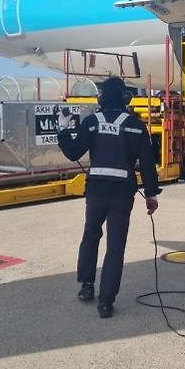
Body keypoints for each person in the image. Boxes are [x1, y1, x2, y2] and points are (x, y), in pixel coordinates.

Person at [57, 77, 160, 318]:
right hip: (123, 195)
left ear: (101, 99)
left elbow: (73, 153)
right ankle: (106, 303)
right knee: (115, 247)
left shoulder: (92, 122)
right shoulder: (136, 125)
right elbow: (147, 164)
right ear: (126, 98)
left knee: (91, 235)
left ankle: (86, 286)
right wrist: (151, 195)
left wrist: (63, 130)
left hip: (96, 193)